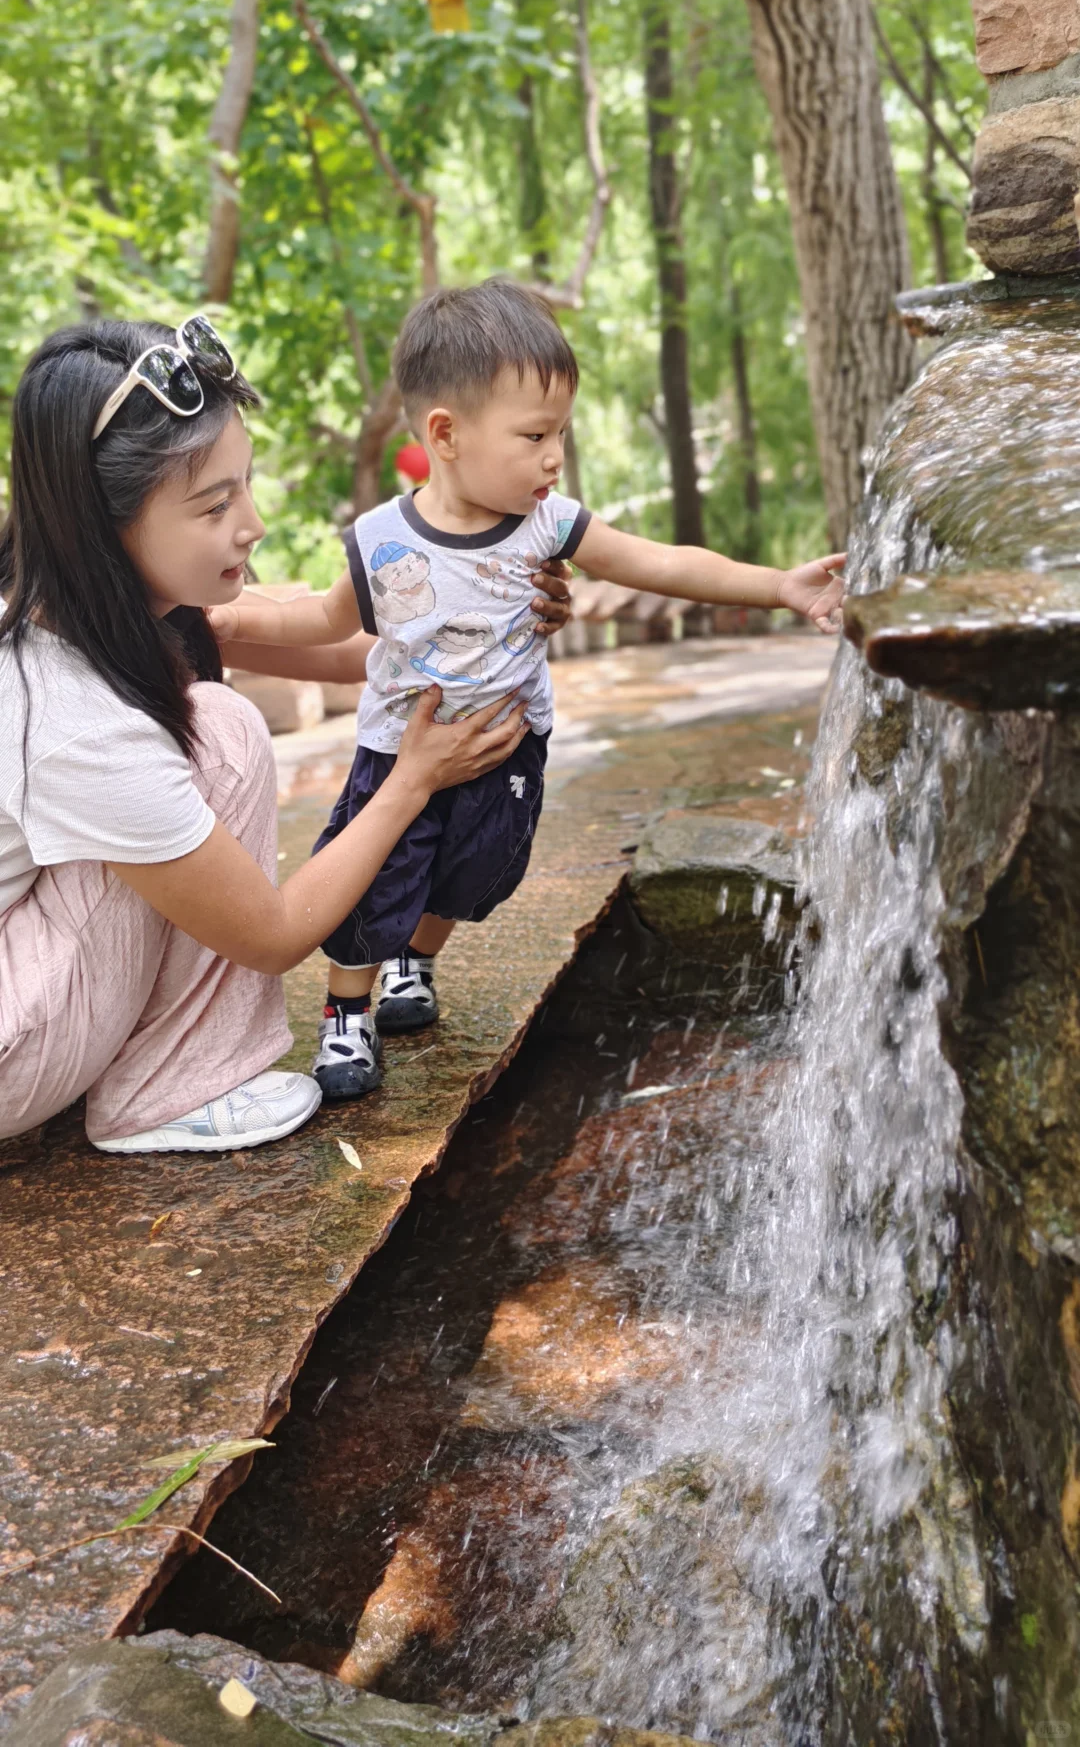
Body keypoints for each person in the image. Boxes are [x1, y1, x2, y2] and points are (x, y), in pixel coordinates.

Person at [210, 278, 846, 1103]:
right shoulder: (384, 540)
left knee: (472, 875)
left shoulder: (549, 525)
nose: (555, 456)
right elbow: (326, 620)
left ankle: (415, 960)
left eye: (562, 433)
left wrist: (778, 586)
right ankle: (346, 1011)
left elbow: (659, 561)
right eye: (536, 434)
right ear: (446, 434)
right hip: (398, 750)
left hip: (505, 749)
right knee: (374, 882)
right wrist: (232, 622)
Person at [0, 315, 572, 1156]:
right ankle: (166, 1089)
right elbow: (270, 933)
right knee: (222, 730)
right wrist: (412, 780)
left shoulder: (70, 600)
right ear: (100, 524)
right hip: (12, 1046)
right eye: (214, 504)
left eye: (245, 484)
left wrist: (496, 613)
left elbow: (366, 652)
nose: (254, 522)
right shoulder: (72, 712)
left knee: (203, 734)